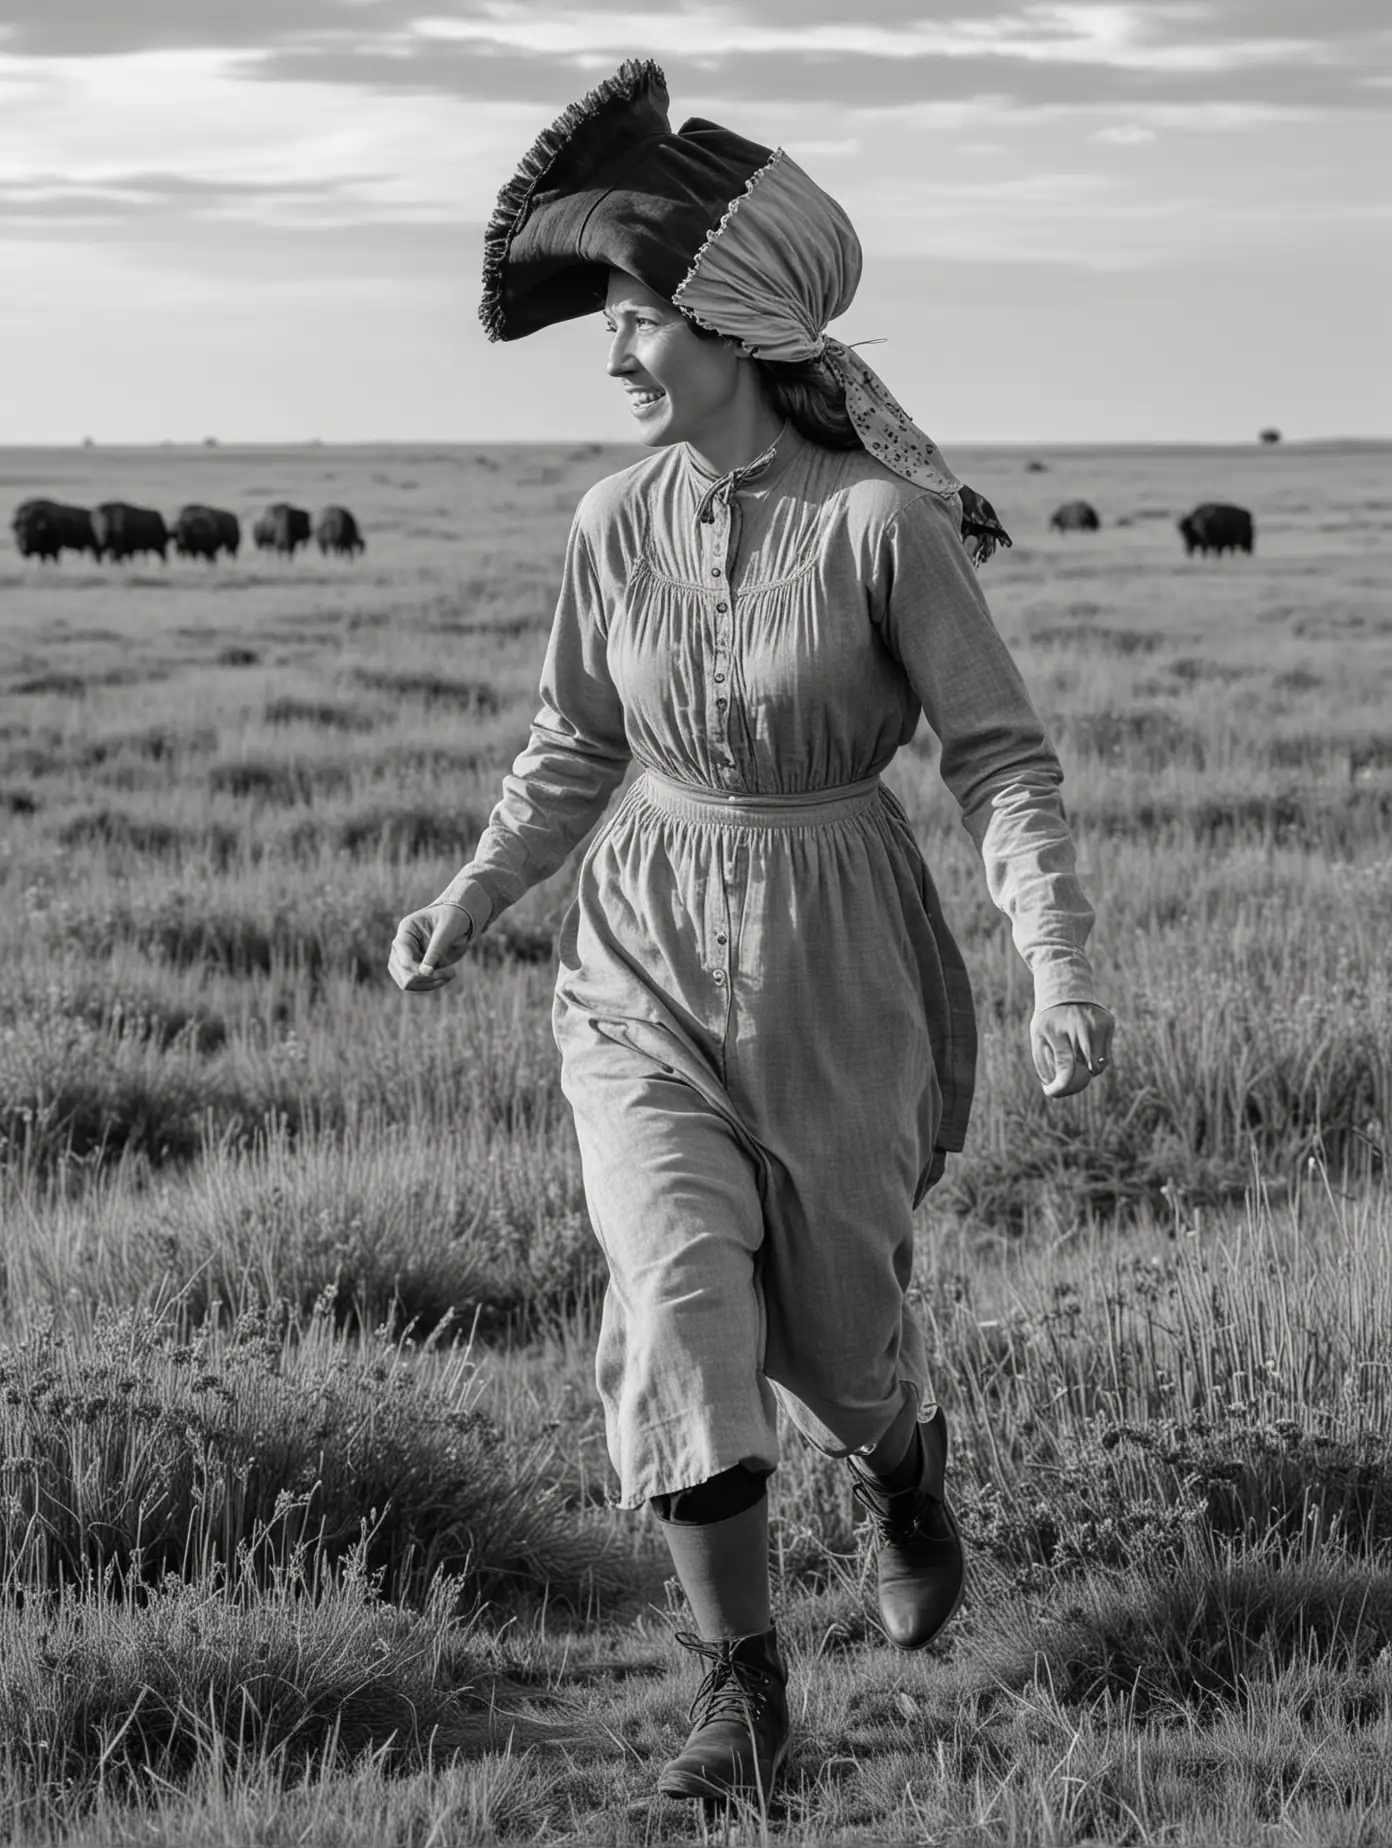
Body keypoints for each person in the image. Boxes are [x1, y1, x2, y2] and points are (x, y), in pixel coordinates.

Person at [390, 57, 1114, 1807]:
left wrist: (1058, 962)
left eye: (637, 319)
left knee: (845, 1332)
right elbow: (575, 740)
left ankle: (901, 1464)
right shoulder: (610, 522)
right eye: (611, 326)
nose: (616, 354)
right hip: (637, 949)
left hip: (838, 953)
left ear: (730, 318)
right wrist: (474, 891)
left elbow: (999, 759)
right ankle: (745, 1692)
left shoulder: (881, 526)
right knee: (680, 1292)